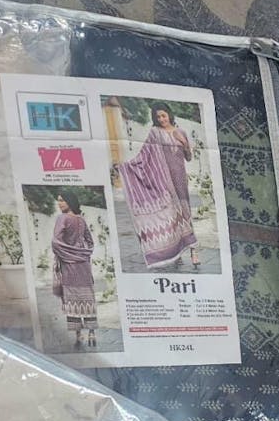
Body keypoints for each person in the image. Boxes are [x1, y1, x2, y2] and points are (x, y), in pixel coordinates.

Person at [117, 101, 199, 268]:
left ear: (169, 114)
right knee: (171, 217)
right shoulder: (155, 133)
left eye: (163, 115)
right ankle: (176, 252)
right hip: (164, 182)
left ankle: (194, 251)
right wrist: (125, 167)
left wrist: (184, 144)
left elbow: (188, 157)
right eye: (158, 117)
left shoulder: (181, 132)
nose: (161, 119)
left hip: (180, 180)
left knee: (186, 214)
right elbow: (144, 155)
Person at [50, 192, 97, 347]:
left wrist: (67, 254)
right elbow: (90, 242)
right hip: (83, 264)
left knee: (72, 298)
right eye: (58, 201)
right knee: (87, 297)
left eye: (62, 200)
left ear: (70, 201)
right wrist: (83, 253)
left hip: (69, 265)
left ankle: (79, 336)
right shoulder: (81, 220)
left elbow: (56, 243)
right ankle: (92, 333)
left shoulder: (62, 218)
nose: (59, 203)